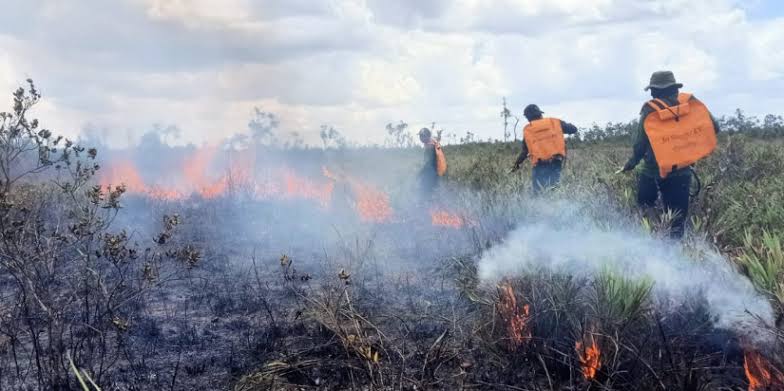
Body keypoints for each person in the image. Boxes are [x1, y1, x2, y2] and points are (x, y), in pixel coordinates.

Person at [620, 71, 720, 238]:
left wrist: (630, 164)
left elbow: (639, 145)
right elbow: (715, 127)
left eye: (653, 90)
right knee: (678, 219)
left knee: (645, 207)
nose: (651, 94)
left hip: (651, 172)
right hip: (682, 171)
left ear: (656, 91)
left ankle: (651, 243)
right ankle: (674, 252)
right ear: (674, 88)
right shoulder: (690, 104)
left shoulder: (650, 110)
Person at [512, 104, 578, 194]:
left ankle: (540, 206)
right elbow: (574, 129)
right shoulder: (554, 122)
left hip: (539, 166)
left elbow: (524, 152)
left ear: (528, 118)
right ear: (540, 114)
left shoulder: (528, 130)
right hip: (556, 163)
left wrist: (516, 166)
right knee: (554, 190)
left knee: (539, 193)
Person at [418, 128, 447, 199]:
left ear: (428, 136)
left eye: (422, 136)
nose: (421, 138)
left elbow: (428, 163)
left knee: (425, 193)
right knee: (432, 192)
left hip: (431, 173)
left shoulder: (430, 146)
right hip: (435, 172)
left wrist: (419, 173)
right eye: (420, 136)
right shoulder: (432, 143)